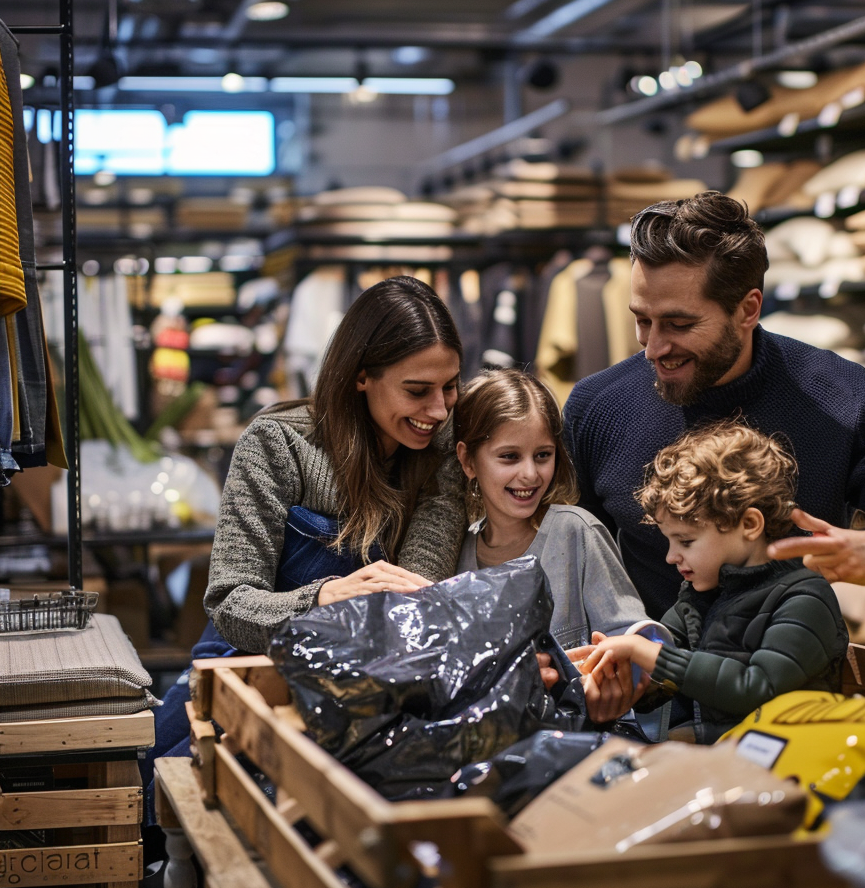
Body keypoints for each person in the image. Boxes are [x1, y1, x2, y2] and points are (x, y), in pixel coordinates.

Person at [563, 191, 865, 620]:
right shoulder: (597, 407)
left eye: (679, 324)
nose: (654, 348)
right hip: (646, 678)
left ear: (748, 309)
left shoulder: (839, 396)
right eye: (642, 320)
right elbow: (565, 570)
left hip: (790, 674)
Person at [144, 276, 466, 814]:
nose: (437, 410)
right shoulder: (278, 445)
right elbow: (230, 603)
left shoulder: (442, 455)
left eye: (450, 387)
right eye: (417, 391)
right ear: (362, 376)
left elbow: (415, 596)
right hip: (247, 664)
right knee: (153, 790)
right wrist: (323, 600)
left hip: (367, 679)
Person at [578, 420, 849, 742]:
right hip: (723, 750)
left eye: (686, 541)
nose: (671, 556)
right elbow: (666, 674)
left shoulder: (803, 598)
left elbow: (757, 687)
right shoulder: (696, 598)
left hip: (788, 759)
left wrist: (649, 654)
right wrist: (622, 680)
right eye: (669, 541)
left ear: (749, 524)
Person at [453, 368, 647, 654]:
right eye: (510, 457)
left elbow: (631, 639)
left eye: (543, 455)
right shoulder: (457, 551)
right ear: (468, 461)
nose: (530, 474)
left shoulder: (576, 532)